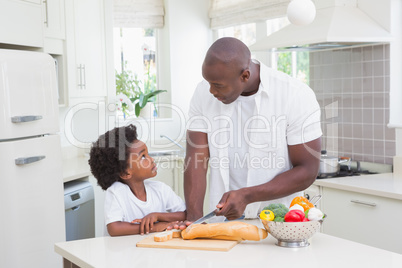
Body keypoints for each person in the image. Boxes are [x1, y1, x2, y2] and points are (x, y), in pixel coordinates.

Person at [182, 37, 322, 225]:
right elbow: (196, 158)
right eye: (208, 83)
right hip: (223, 221)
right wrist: (194, 219)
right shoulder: (203, 93)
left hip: (279, 223)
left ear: (245, 76)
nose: (211, 91)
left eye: (218, 85)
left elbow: (307, 170)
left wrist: (247, 195)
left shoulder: (295, 95)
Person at [88, 124, 186, 236]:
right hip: (121, 252)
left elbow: (184, 214)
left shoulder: (160, 189)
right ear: (125, 173)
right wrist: (153, 227)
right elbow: (114, 228)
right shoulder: (116, 192)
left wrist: (157, 216)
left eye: (148, 154)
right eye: (143, 157)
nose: (151, 159)